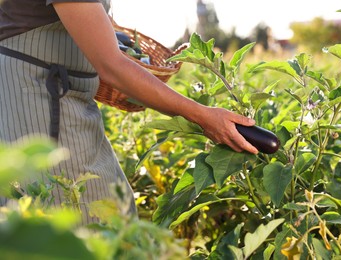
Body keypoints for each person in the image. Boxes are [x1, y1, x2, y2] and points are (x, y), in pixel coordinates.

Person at [0, 0, 258, 224]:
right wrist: (203, 116)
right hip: (36, 94)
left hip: (65, 95)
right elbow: (111, 64)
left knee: (108, 206)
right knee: (69, 211)